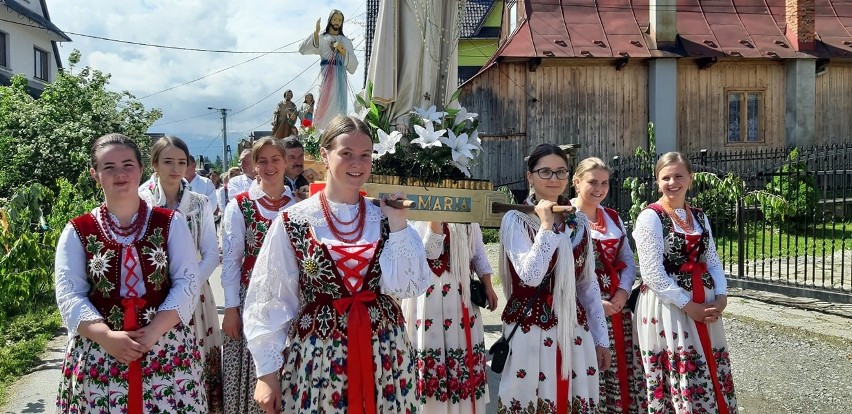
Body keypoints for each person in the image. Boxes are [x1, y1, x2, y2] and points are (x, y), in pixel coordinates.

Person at [243, 115, 432, 413]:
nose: (357, 163)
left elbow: (406, 287)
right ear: (324, 155)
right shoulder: (294, 221)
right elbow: (270, 296)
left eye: (365, 155)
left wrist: (398, 225)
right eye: (346, 153)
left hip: (384, 351)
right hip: (320, 355)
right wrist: (267, 373)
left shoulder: (384, 216)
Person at [55, 133, 205, 412]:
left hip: (164, 347)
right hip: (100, 351)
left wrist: (153, 332)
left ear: (141, 169)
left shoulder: (170, 223)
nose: (120, 174)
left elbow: (187, 281)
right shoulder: (78, 230)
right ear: (95, 174)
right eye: (108, 167)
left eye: (127, 165)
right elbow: (68, 294)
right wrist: (106, 337)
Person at [497, 143, 611, 413]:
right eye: (545, 172)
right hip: (531, 329)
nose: (554, 179)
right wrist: (546, 227)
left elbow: (587, 285)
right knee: (529, 399)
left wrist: (600, 339)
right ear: (530, 177)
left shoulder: (578, 221)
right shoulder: (516, 220)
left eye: (560, 172)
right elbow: (531, 275)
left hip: (574, 329)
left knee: (573, 399)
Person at [632, 152, 737, 414]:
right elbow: (652, 273)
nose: (672, 182)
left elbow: (712, 260)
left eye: (678, 175)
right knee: (680, 365)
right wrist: (689, 305)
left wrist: (721, 296)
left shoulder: (700, 217)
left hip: (705, 301)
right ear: (657, 182)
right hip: (668, 305)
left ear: (690, 178)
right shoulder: (650, 217)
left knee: (709, 361)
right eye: (665, 177)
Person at [138, 136, 224, 413]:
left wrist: (187, 286)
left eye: (181, 162)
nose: (176, 168)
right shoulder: (141, 200)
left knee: (198, 358)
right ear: (154, 164)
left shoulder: (199, 203)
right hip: (150, 294)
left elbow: (211, 252)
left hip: (196, 295)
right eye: (168, 161)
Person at [220, 138, 297, 413]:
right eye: (262, 160)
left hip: (291, 299)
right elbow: (231, 262)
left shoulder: (299, 205)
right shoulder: (240, 206)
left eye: (275, 159)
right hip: (251, 301)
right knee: (253, 373)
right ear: (253, 166)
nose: (269, 166)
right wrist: (231, 308)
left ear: (286, 162)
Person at [571, 157, 646, 413]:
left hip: (617, 307)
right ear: (576, 182)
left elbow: (626, 259)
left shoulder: (612, 216)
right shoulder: (567, 217)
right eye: (592, 182)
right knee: (590, 366)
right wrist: (593, 303)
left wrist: (624, 292)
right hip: (583, 308)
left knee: (621, 368)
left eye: (604, 183)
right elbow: (562, 271)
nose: (599, 188)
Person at [402, 221, 498, 413]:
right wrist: (435, 217)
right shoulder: (417, 210)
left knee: (460, 356)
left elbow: (477, 250)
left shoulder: (466, 205)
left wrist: (488, 284)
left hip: (460, 295)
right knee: (429, 350)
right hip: (427, 296)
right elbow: (429, 252)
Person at [299, 9, 359, 129]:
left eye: (340, 20)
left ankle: (337, 132)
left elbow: (354, 65)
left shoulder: (346, 41)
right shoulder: (323, 37)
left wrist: (342, 50)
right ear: (330, 20)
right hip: (325, 77)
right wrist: (316, 33)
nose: (337, 22)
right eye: (335, 19)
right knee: (321, 104)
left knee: (338, 107)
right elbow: (302, 49)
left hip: (340, 79)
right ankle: (319, 133)